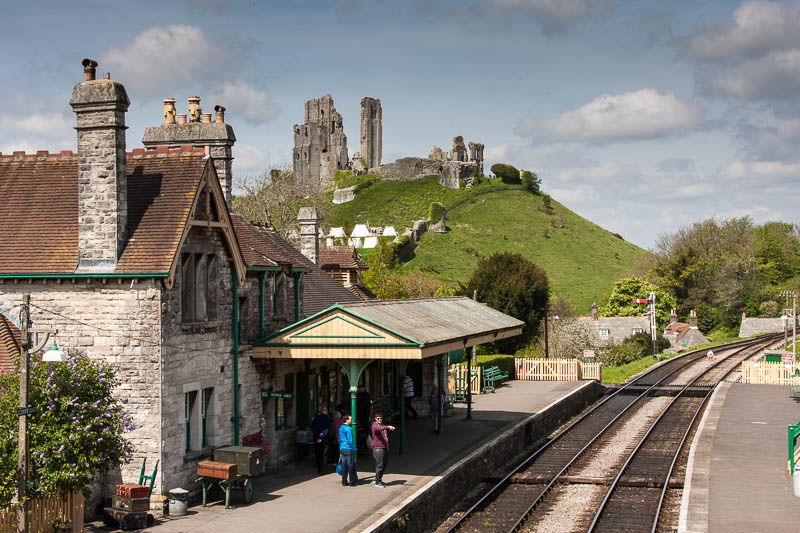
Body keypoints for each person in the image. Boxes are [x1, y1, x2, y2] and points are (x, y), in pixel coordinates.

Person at [370, 412, 395, 488]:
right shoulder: (374, 425)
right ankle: (377, 482)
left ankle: (378, 478)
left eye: (381, 418)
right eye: (378, 418)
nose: (380, 420)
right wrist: (388, 427)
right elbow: (378, 429)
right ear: (375, 419)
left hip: (384, 448)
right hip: (378, 449)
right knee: (380, 465)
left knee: (385, 464)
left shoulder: (382, 426)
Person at [310, 405, 331, 474]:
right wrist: (321, 437)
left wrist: (317, 437)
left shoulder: (316, 418)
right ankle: (322, 470)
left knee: (318, 453)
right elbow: (327, 429)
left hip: (317, 439)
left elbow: (313, 428)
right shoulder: (327, 419)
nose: (326, 411)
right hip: (324, 439)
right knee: (324, 455)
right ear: (325, 411)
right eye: (325, 410)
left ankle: (318, 467)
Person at [338, 413, 358, 486]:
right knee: (351, 466)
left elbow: (339, 438)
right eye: (350, 419)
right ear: (346, 419)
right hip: (349, 449)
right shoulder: (349, 428)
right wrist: (354, 448)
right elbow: (350, 440)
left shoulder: (341, 427)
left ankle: (344, 481)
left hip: (342, 448)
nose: (352, 420)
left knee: (344, 466)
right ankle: (352, 482)